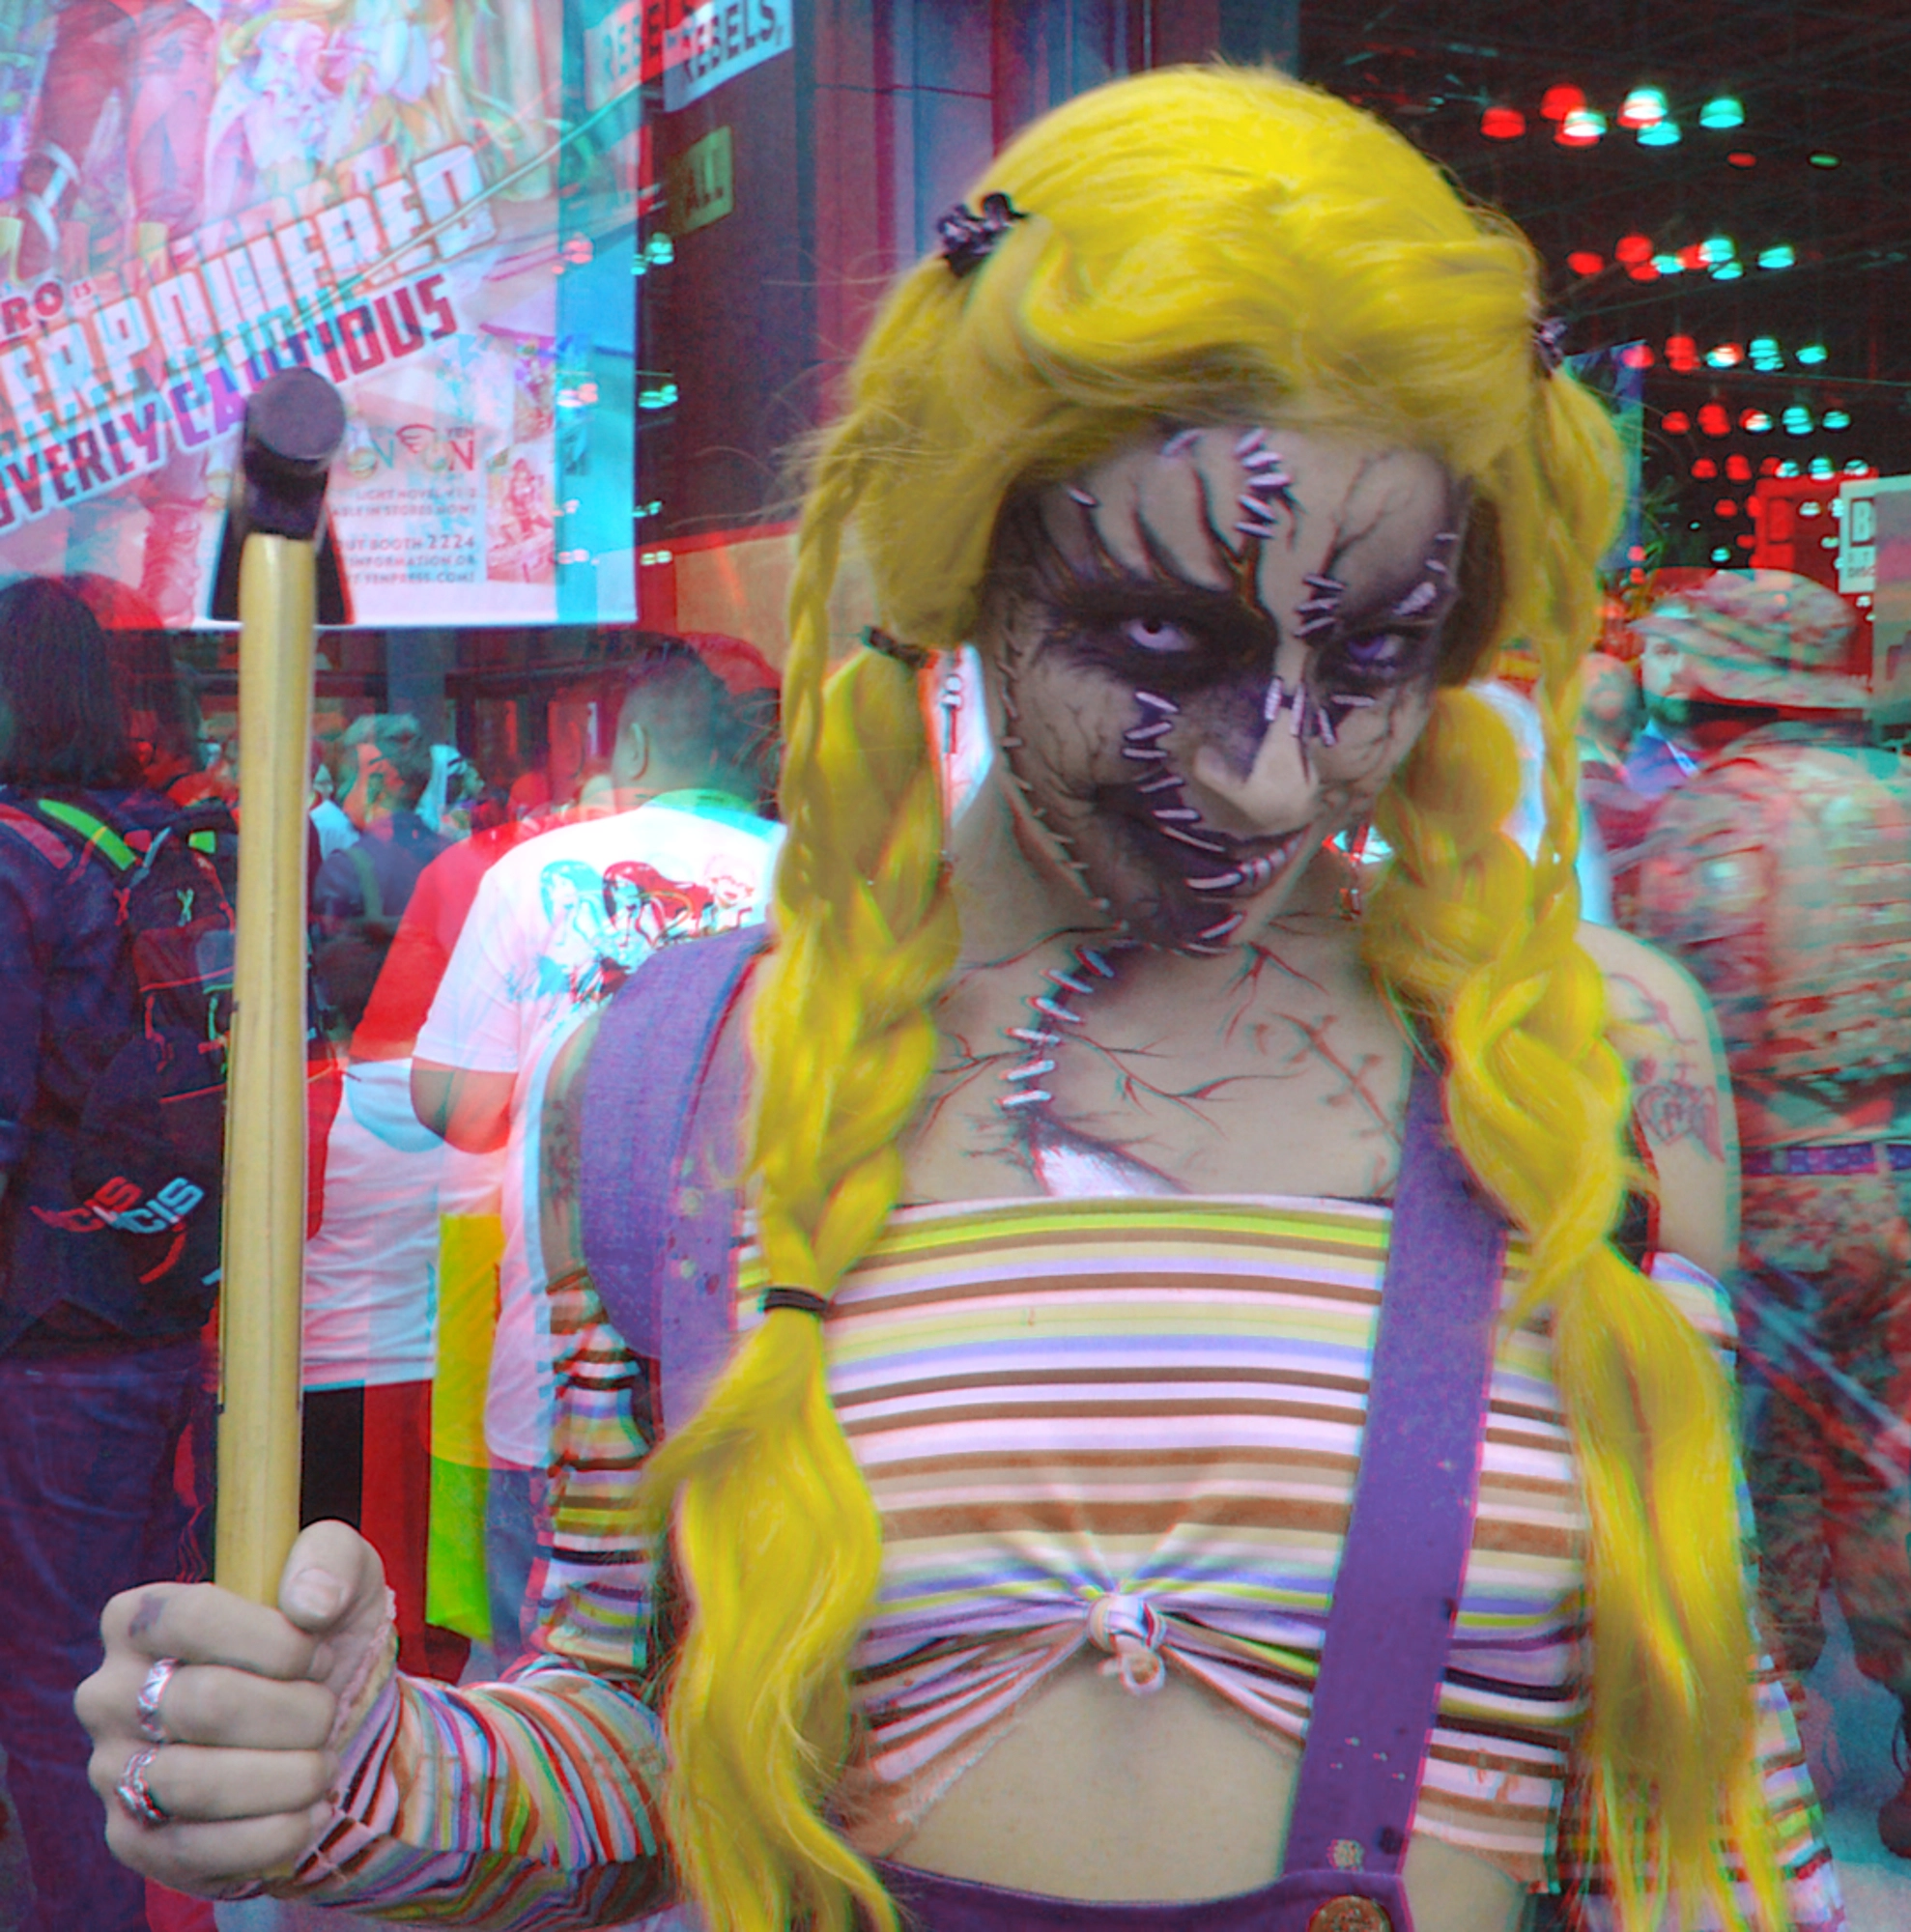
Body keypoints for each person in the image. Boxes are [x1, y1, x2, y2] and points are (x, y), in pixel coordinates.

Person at [79, 70, 1839, 1932]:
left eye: (1374, 651)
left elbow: (1696, 1814)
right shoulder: (687, 1083)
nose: (1267, 769)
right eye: (1161, 636)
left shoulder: (1579, 1069)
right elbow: (634, 1746)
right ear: (961, 553)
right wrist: (354, 1770)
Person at [406, 636, 782, 1665]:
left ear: (636, 743)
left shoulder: (532, 875)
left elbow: (460, 1107)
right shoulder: (810, 876)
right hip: (764, 1362)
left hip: (569, 1378)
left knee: (560, 1669)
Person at [1624, 568, 1911, 1856]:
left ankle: (1766, 1769)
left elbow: (1684, 1039)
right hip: (1899, 1179)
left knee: (1756, 1477)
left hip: (1778, 1202)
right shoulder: (1895, 797)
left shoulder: (1712, 819)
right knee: (1889, 1467)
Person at [0, 579, 216, 1930]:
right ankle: (167, 1896)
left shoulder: (16, 861)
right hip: (169, 1296)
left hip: (43, 1329)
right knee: (142, 1651)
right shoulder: (168, 836)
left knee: (48, 1678)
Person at [310, 715, 448, 1035]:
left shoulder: (346, 870)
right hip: (447, 1041)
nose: (342, 796)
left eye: (348, 777)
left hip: (377, 1044)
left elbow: (337, 984)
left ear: (381, 775)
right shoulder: (456, 857)